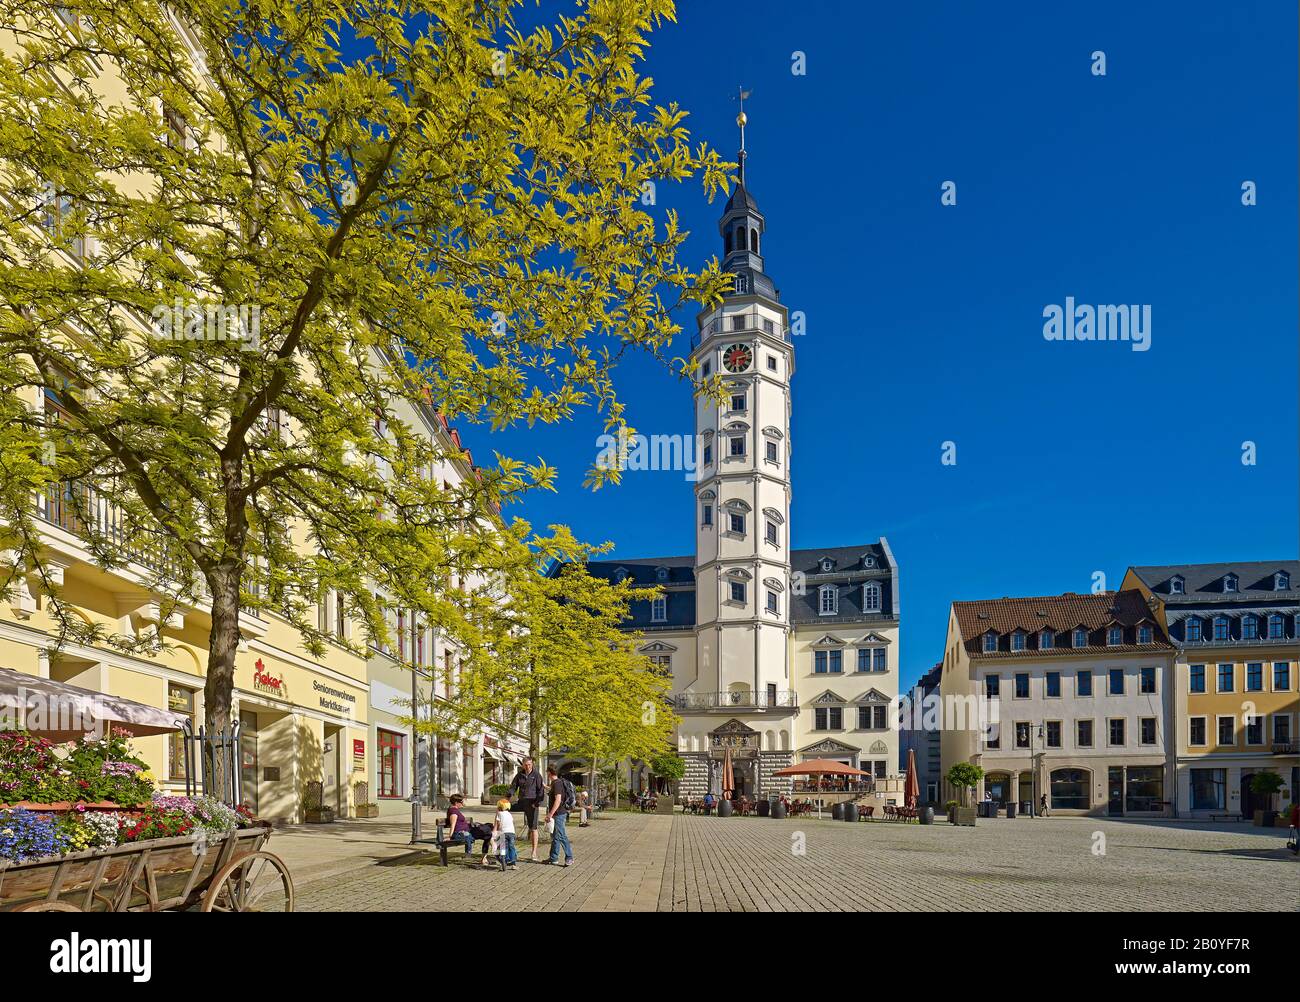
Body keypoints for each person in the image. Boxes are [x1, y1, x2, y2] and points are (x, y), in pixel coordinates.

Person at [510, 757, 547, 863]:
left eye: (529, 764)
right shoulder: (519, 775)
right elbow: (513, 787)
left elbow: (540, 791)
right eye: (525, 764)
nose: (527, 766)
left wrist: (537, 803)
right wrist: (506, 799)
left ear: (532, 764)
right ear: (522, 765)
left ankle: (534, 852)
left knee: (533, 828)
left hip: (532, 804)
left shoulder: (536, 776)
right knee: (503, 811)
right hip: (521, 802)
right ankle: (505, 848)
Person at [544, 764, 574, 867]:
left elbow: (558, 800)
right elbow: (554, 793)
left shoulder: (556, 784)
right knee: (555, 836)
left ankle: (569, 857)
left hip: (559, 814)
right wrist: (544, 786)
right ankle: (553, 858)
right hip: (559, 813)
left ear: (549, 772)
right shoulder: (556, 783)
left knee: (561, 836)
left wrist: (550, 814)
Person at [490, 797, 517, 870]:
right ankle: (513, 863)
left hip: (503, 833)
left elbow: (498, 824)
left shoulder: (499, 814)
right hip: (511, 833)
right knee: (512, 847)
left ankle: (503, 862)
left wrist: (495, 833)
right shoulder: (509, 814)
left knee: (502, 847)